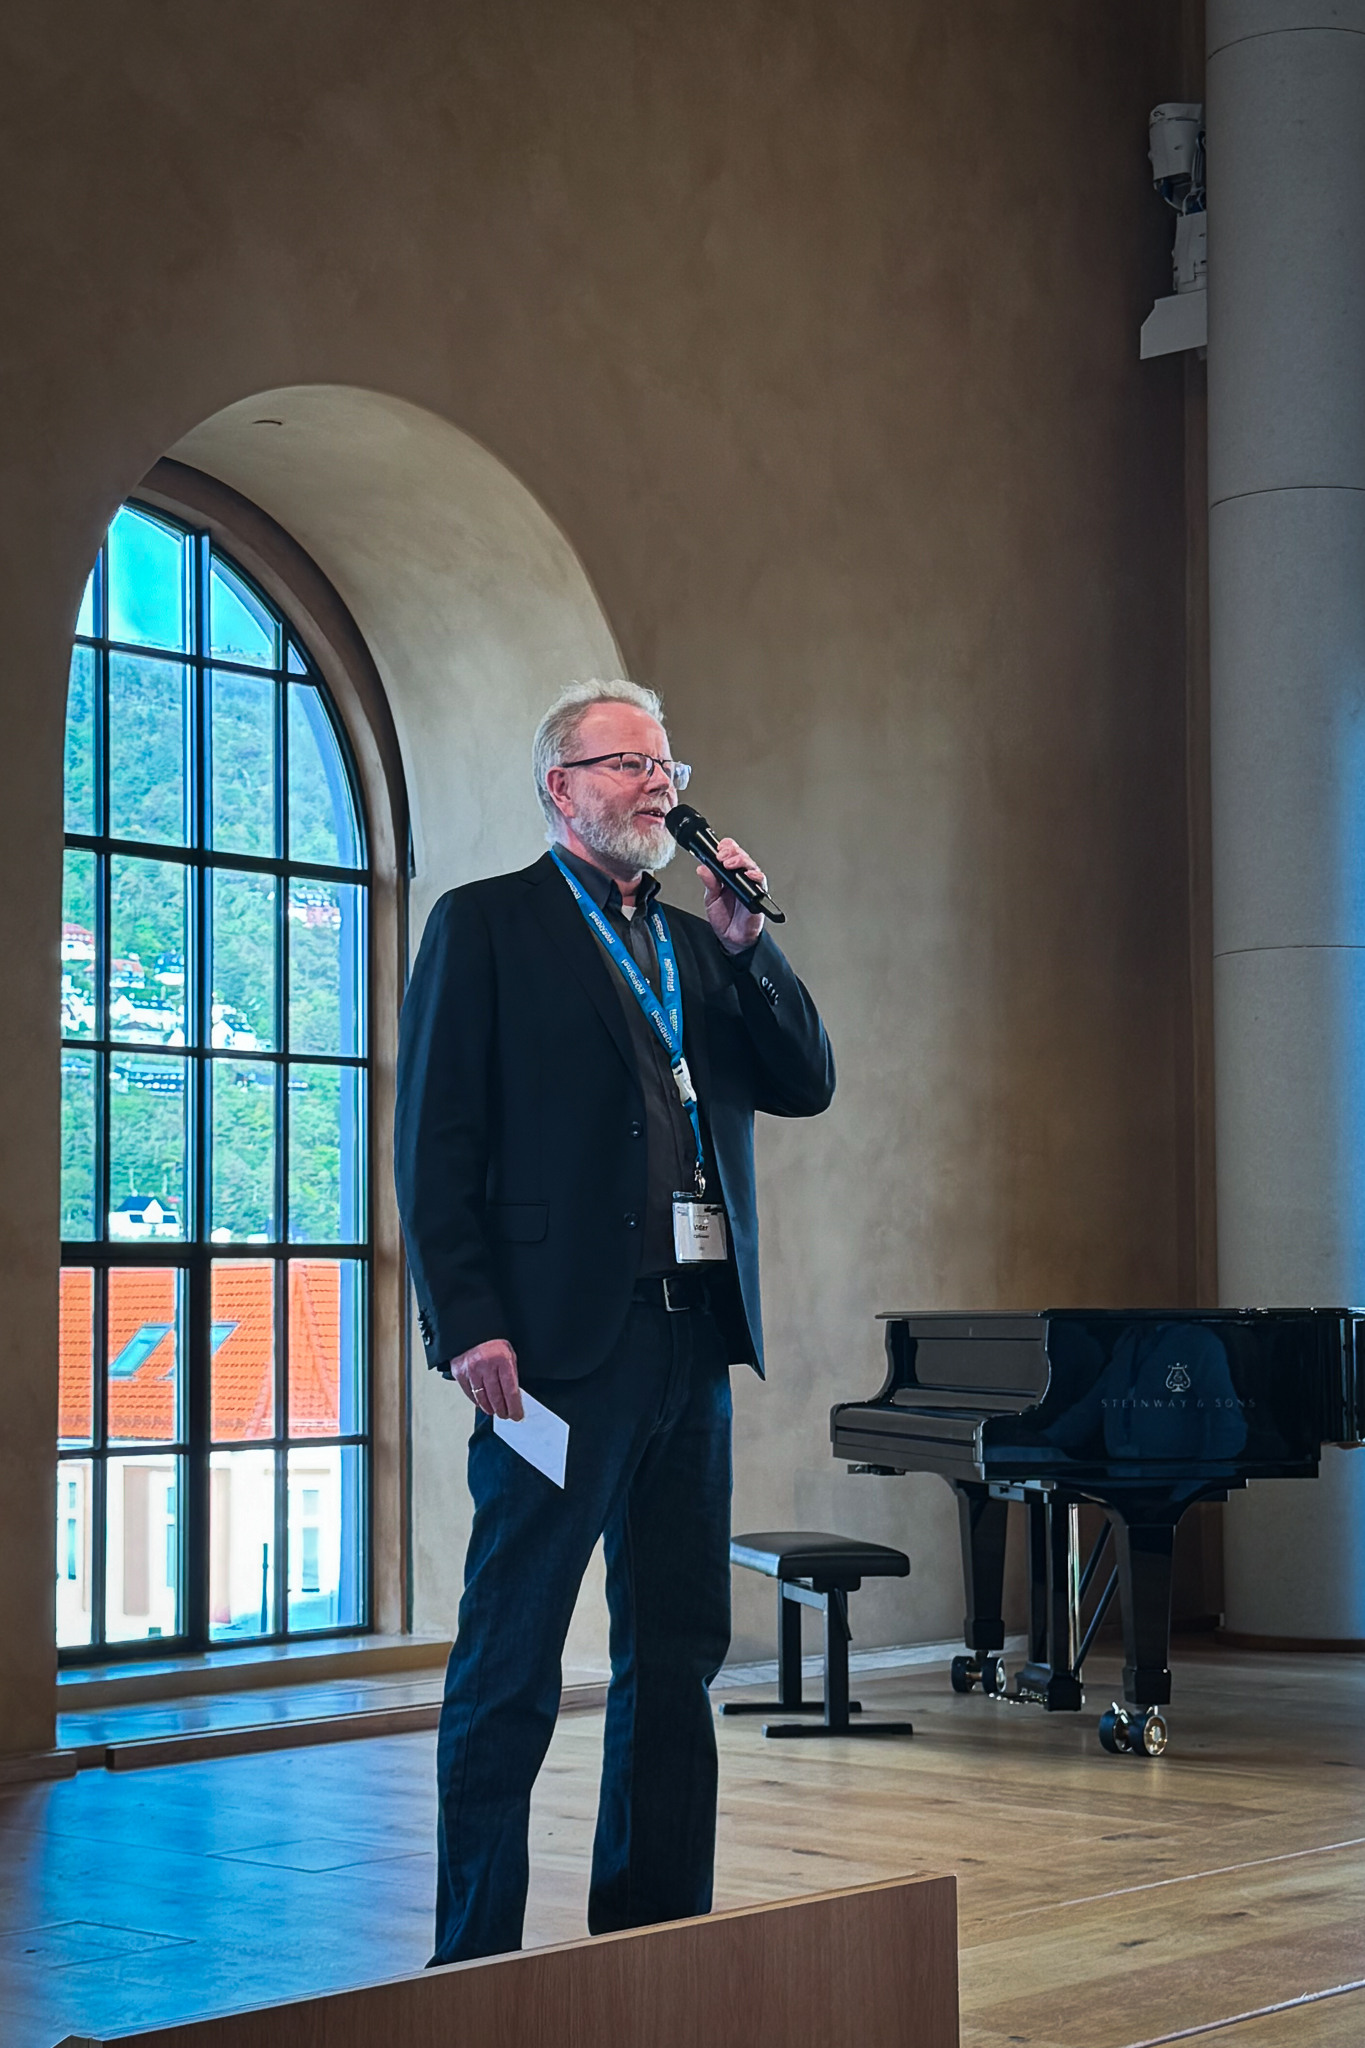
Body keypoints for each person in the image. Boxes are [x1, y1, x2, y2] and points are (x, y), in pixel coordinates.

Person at [394, 677, 835, 1965]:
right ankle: (473, 1957)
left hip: (691, 1342)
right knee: (513, 1652)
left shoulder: (701, 942)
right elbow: (434, 1141)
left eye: (666, 765)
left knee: (677, 1650)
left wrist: (752, 945)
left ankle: (653, 1943)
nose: (659, 784)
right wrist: (467, 1320)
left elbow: (806, 1081)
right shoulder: (487, 924)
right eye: (630, 763)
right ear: (561, 786)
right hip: (551, 1354)